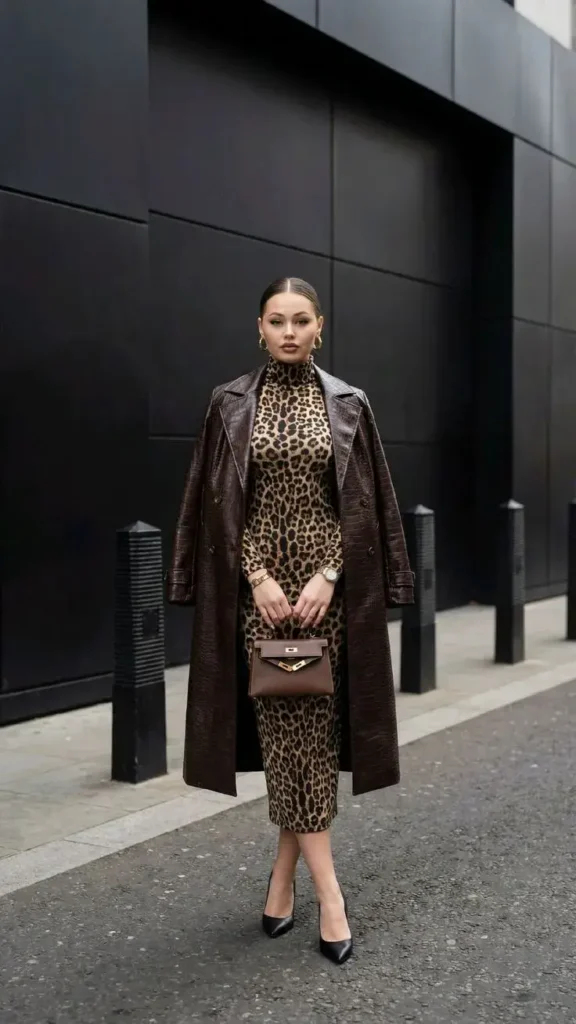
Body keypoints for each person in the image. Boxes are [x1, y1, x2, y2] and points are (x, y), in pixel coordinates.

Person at [166, 277, 414, 965]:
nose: (289, 332)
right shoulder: (228, 404)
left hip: (323, 600)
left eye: (301, 321)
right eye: (277, 321)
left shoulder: (349, 404)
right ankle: (330, 897)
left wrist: (330, 576)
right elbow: (214, 502)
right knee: (292, 729)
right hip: (260, 603)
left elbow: (366, 507)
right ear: (259, 328)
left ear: (321, 326)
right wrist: (258, 575)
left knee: (302, 733)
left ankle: (282, 883)